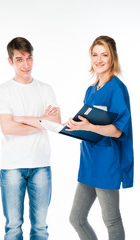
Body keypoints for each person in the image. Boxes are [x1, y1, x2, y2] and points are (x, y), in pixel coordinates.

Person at [0, 37, 61, 240]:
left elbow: (56, 124)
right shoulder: (3, 91)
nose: (26, 64)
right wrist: (42, 122)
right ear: (10, 61)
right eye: (20, 59)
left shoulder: (45, 89)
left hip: (41, 165)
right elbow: (7, 127)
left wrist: (22, 119)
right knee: (13, 227)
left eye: (29, 58)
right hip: (12, 167)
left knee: (40, 228)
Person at [66, 36, 133, 240]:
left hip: (107, 161)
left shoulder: (116, 88)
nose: (99, 59)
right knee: (76, 218)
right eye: (95, 54)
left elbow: (118, 130)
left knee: (112, 221)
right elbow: (88, 125)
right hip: (89, 161)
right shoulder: (90, 90)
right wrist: (74, 126)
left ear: (112, 57)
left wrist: (90, 126)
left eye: (104, 54)